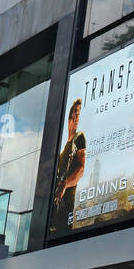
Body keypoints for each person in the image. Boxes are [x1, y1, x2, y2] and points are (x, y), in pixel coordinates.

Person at [49, 100, 85, 233]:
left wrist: (65, 185)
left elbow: (81, 169)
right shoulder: (63, 150)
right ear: (70, 116)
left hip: (66, 209)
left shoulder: (79, 137)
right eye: (75, 113)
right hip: (54, 211)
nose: (76, 117)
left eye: (79, 114)